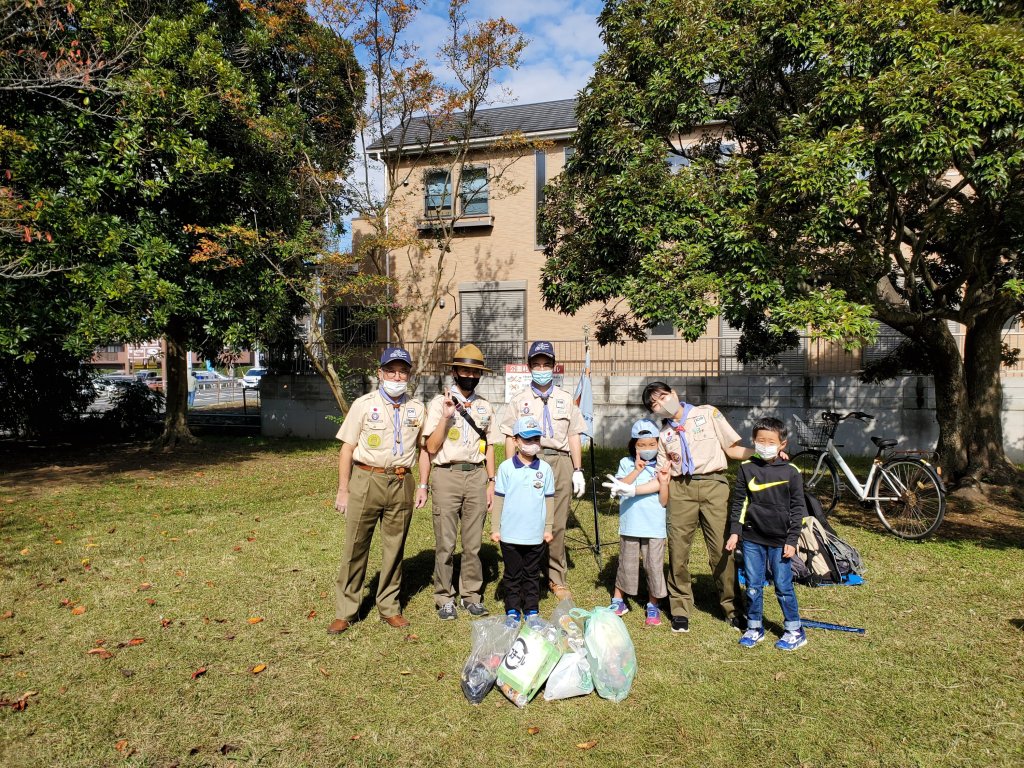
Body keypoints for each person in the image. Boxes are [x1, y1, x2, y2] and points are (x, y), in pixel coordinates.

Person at [641, 381, 755, 634]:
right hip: (681, 489)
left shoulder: (707, 413)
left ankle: (733, 608)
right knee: (678, 550)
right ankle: (680, 608)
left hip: (714, 485)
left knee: (722, 548)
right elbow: (663, 472)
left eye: (662, 397)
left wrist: (762, 454)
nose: (661, 405)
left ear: (674, 393)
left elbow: (732, 449)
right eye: (654, 404)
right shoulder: (664, 435)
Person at [327, 347, 425, 634]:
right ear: (380, 373)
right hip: (367, 479)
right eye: (391, 371)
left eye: (403, 371)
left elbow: (425, 449)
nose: (397, 376)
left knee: (395, 547)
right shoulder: (363, 404)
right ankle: (346, 610)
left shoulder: (417, 408)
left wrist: (422, 484)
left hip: (401, 481)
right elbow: (347, 449)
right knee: (356, 545)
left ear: (409, 375)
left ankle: (389, 606)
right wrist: (343, 490)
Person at [419, 344, 501, 621]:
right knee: (445, 542)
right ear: (454, 372)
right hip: (447, 475)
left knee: (473, 542)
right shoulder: (438, 403)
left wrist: (491, 481)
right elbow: (431, 447)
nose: (470, 376)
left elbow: (490, 446)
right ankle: (444, 596)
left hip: (477, 475)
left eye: (475, 372)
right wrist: (446, 418)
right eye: (465, 371)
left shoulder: (484, 406)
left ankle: (471, 595)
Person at [500, 341, 585, 601]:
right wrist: (511, 469)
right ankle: (524, 572)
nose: (541, 369)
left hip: (559, 461)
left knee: (557, 522)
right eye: (536, 365)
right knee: (525, 516)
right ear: (529, 367)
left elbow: (573, 435)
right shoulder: (519, 400)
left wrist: (578, 469)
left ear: (553, 367)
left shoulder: (566, 399)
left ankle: (556, 577)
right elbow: (509, 436)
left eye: (546, 364)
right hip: (528, 460)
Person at [726, 417, 808, 650]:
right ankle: (754, 627)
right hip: (752, 539)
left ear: (782, 444)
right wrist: (735, 532)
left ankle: (794, 630)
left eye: (771, 442)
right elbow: (739, 502)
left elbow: (798, 508)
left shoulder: (791, 471)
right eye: (760, 441)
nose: (765, 445)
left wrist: (792, 539)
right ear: (753, 441)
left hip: (780, 540)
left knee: (783, 586)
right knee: (753, 585)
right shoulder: (746, 468)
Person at [603, 419, 671, 627]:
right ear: (634, 445)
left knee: (654, 565)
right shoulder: (626, 462)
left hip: (654, 526)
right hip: (630, 524)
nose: (647, 448)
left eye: (652, 444)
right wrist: (637, 470)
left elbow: (664, 501)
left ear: (658, 443)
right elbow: (619, 487)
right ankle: (618, 600)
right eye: (642, 445)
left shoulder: (663, 464)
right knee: (626, 562)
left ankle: (653, 604)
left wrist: (664, 482)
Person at [490, 416, 555, 624]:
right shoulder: (506, 468)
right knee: (512, 574)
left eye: (536, 439)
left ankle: (531, 610)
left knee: (532, 574)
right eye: (527, 439)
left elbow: (549, 500)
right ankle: (512, 610)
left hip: (535, 535)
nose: (532, 444)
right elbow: (499, 499)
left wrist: (548, 528)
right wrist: (495, 528)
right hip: (509, 535)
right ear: (516, 440)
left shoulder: (545, 469)